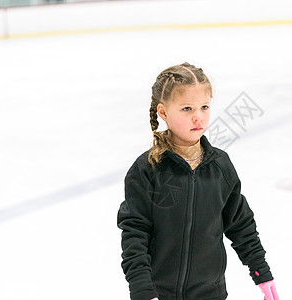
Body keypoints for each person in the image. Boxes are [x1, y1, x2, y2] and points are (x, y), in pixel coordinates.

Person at [117, 62, 279, 300]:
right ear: (163, 112)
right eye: (186, 109)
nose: (198, 117)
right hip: (160, 294)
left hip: (210, 294)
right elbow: (135, 233)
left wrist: (261, 272)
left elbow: (240, 224)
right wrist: (142, 289)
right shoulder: (148, 170)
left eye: (204, 107)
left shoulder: (220, 167)